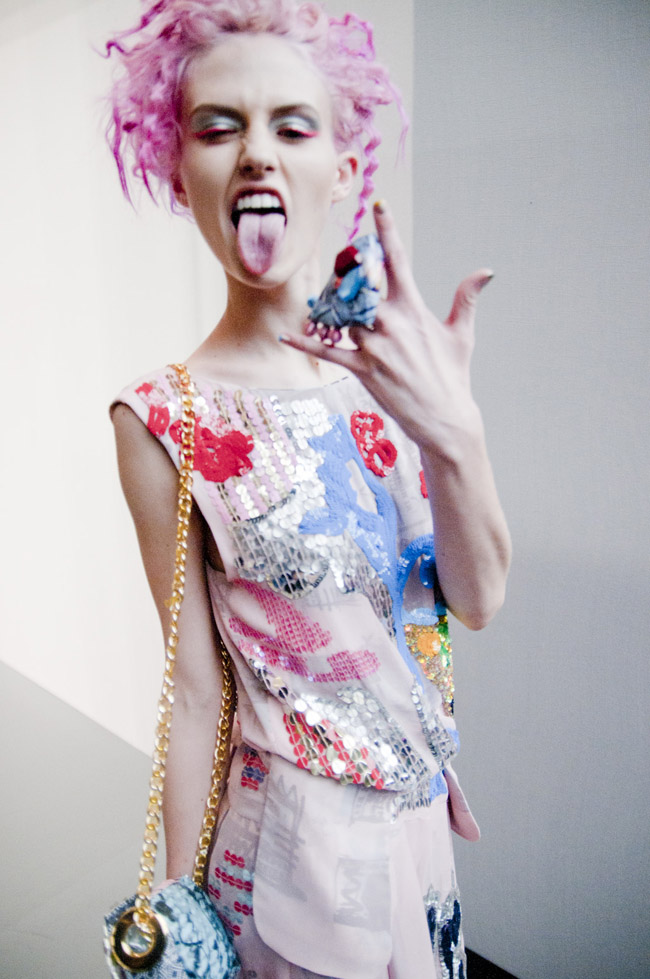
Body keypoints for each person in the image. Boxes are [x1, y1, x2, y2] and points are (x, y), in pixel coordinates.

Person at [106, 1, 511, 977]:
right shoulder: (161, 417)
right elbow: (194, 691)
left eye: (292, 127)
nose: (257, 153)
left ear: (342, 167)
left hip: (421, 837)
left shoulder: (397, 372)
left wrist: (455, 435)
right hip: (288, 863)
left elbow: (477, 600)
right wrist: (177, 924)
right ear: (179, 170)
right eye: (218, 128)